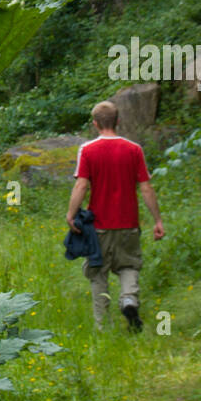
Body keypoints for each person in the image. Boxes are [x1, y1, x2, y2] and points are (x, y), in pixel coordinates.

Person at [65, 101, 165, 331]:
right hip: (128, 224)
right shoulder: (134, 149)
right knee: (129, 265)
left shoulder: (88, 150)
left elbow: (81, 185)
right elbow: (146, 188)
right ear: (118, 121)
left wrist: (71, 215)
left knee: (97, 273)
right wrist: (157, 220)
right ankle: (129, 298)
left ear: (95, 124)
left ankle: (103, 326)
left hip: (98, 227)